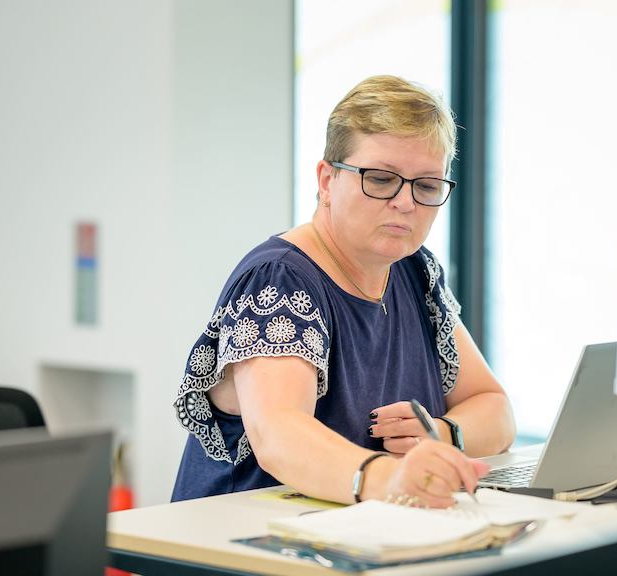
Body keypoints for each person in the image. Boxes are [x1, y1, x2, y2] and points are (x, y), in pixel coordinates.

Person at [172, 75, 516, 507]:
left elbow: (495, 408)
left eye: (426, 185)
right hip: (241, 548)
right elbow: (279, 433)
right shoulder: (280, 279)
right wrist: (390, 479)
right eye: (379, 178)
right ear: (326, 180)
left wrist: (440, 435)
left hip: (364, 535)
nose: (406, 203)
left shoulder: (415, 271)